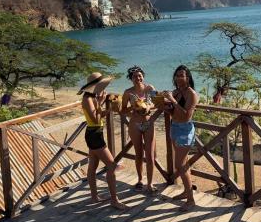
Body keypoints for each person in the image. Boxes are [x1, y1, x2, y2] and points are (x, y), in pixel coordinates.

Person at [78, 72, 129, 210]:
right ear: (94, 86)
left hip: (95, 133)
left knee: (92, 167)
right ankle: (114, 200)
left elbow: (98, 116)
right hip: (94, 135)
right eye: (100, 86)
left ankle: (94, 197)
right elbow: (95, 119)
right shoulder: (88, 99)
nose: (102, 88)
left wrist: (111, 109)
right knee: (112, 166)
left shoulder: (92, 97)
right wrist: (101, 102)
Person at [163, 65, 199, 211]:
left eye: (181, 75)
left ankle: (191, 200)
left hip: (185, 129)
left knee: (180, 165)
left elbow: (186, 116)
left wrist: (173, 100)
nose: (178, 78)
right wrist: (165, 106)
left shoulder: (192, 94)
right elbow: (174, 114)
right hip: (174, 127)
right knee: (183, 164)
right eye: (177, 75)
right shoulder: (177, 92)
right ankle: (186, 191)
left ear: (188, 77)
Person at [121, 65, 157, 193]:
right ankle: (140, 179)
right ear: (131, 78)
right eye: (135, 76)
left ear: (143, 76)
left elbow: (157, 102)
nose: (138, 78)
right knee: (139, 154)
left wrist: (148, 106)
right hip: (134, 124)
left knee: (150, 155)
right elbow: (123, 110)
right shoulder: (127, 92)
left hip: (148, 123)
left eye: (140, 75)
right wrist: (134, 107)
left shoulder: (150, 88)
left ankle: (150, 183)